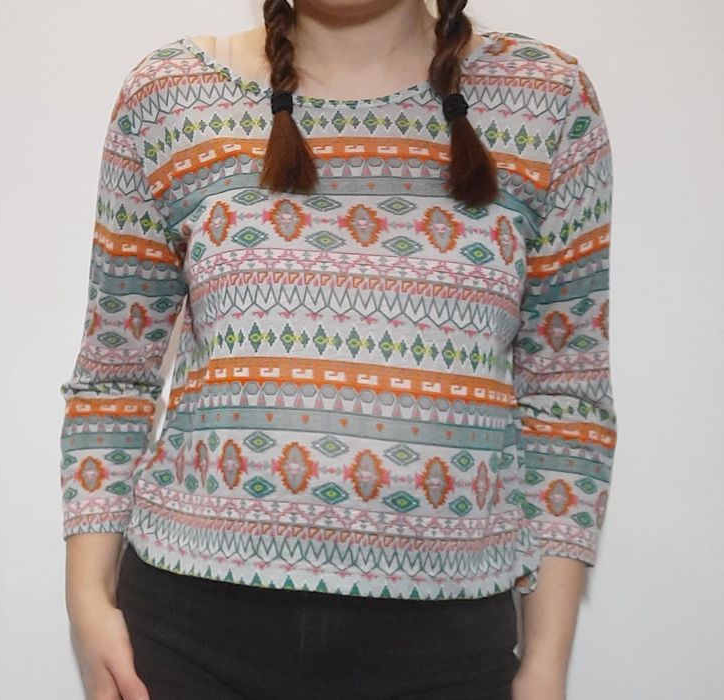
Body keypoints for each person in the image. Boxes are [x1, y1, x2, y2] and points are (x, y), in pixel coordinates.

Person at [59, 1, 617, 698]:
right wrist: (89, 601)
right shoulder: (170, 93)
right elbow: (115, 374)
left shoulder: (546, 99)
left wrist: (545, 662)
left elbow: (566, 396)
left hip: (445, 647)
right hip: (187, 637)